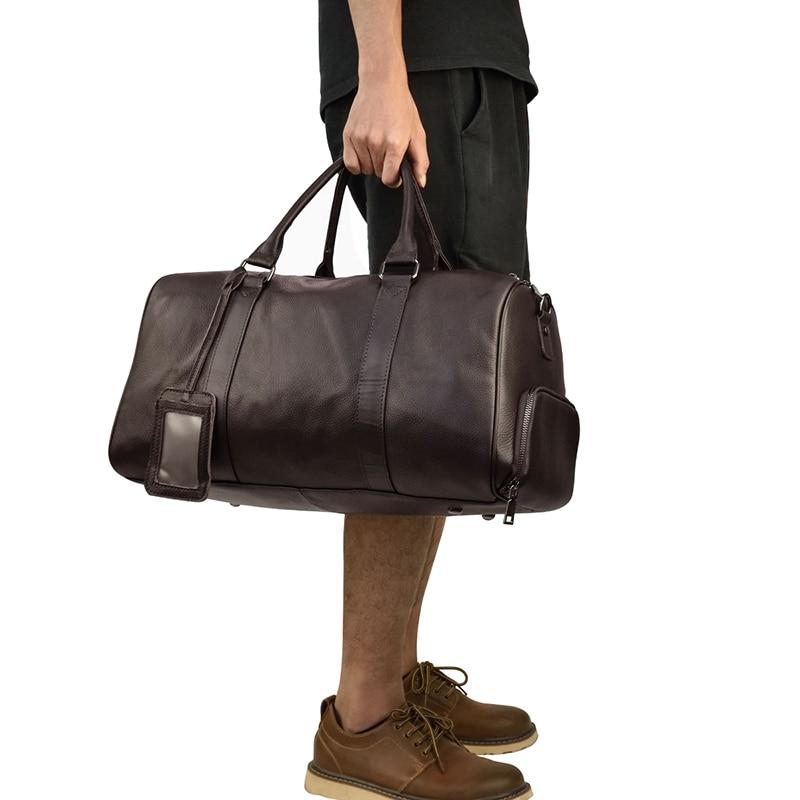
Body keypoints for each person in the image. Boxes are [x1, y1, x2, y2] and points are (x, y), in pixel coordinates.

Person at [306, 3, 539, 799]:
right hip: (428, 66)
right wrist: (381, 72)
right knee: (421, 389)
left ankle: (397, 685)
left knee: (442, 398)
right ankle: (365, 718)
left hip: (454, 63)